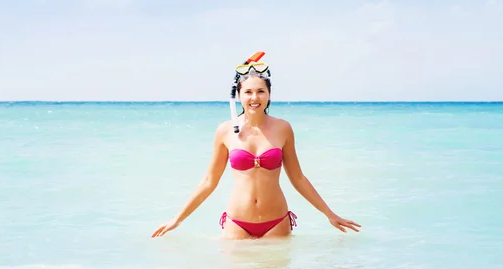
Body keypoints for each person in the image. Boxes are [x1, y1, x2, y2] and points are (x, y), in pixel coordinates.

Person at [151, 58, 361, 240]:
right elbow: (209, 182)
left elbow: (298, 179)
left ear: (269, 94)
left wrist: (329, 214)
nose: (254, 97)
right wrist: (178, 219)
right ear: (239, 95)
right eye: (248, 92)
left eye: (261, 91)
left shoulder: (283, 128)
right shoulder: (225, 131)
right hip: (237, 223)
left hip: (276, 222)